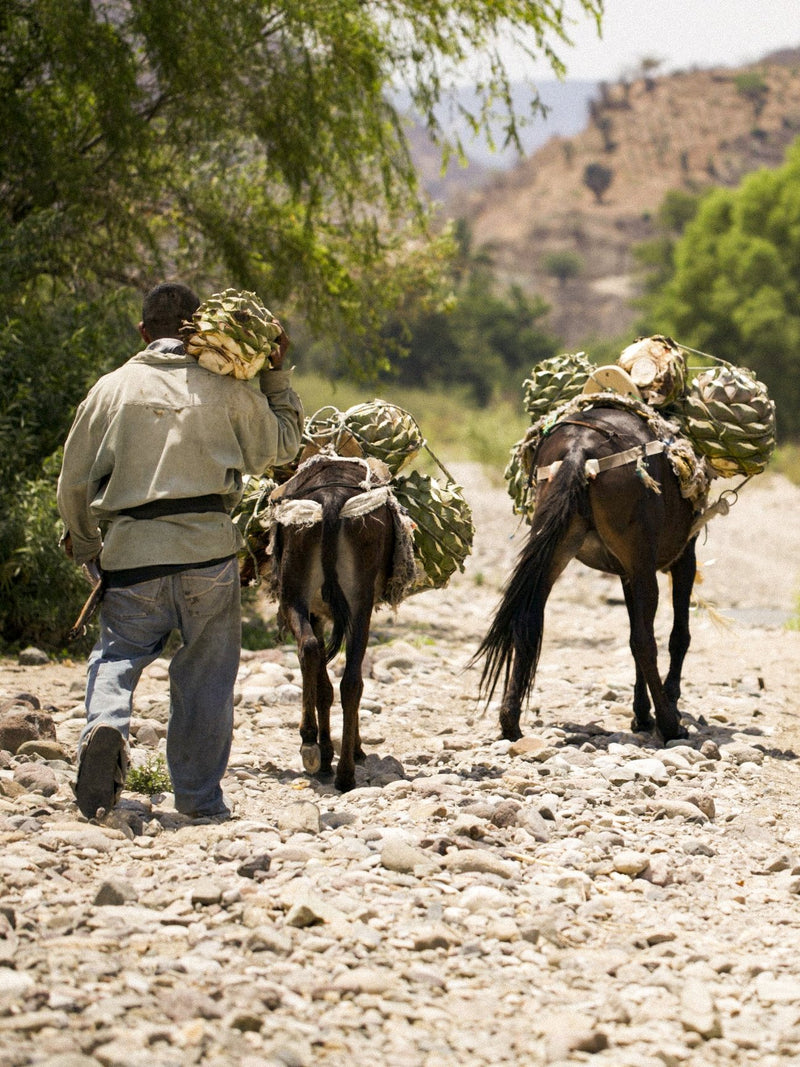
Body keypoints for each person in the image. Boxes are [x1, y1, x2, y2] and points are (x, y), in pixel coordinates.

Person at [57, 282, 304, 821]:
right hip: (208, 558)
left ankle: (106, 725)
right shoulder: (227, 389)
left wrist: (88, 547)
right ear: (195, 327)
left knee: (117, 656)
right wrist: (275, 374)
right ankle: (198, 799)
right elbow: (285, 445)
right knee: (206, 678)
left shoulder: (111, 389)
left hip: (131, 557)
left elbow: (73, 484)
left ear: (143, 331)